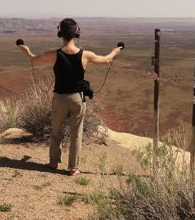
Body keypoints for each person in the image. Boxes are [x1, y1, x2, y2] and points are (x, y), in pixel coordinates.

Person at [18, 18, 122, 176]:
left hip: (59, 98)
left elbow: (33, 58)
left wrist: (25, 50)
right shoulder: (85, 55)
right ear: (77, 33)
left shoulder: (53, 55)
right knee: (76, 134)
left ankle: (54, 162)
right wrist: (116, 50)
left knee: (56, 131)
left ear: (60, 34)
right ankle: (73, 168)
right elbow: (106, 60)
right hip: (77, 99)